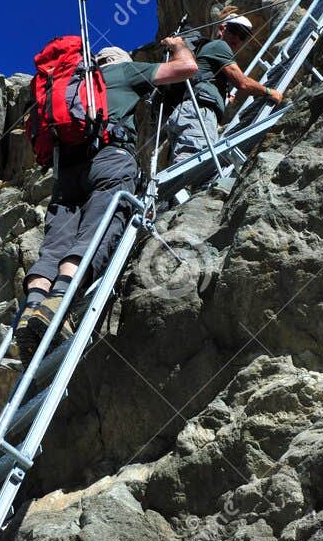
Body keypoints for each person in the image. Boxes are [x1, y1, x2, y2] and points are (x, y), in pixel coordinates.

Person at [14, 36, 198, 362]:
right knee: (99, 227)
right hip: (109, 160)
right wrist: (179, 44)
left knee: (55, 244)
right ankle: (60, 300)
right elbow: (186, 68)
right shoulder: (124, 72)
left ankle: (33, 308)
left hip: (65, 172)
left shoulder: (70, 85)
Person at [165, 11, 283, 181]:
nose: (237, 38)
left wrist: (223, 97)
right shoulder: (220, 46)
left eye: (243, 36)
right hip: (199, 111)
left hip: (189, 112)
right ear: (222, 28)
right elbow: (242, 83)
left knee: (195, 168)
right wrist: (269, 92)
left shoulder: (210, 52)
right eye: (234, 31)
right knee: (193, 163)